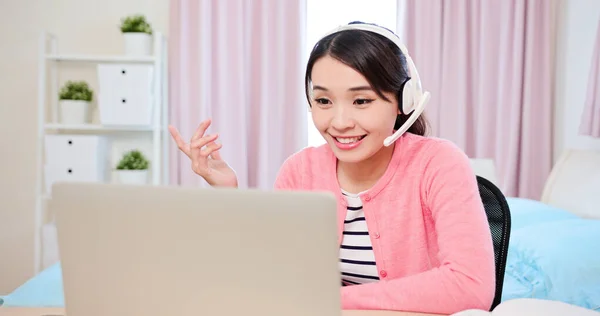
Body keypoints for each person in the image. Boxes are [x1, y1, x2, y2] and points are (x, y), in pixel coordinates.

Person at [169, 21, 496, 315]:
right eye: (324, 101)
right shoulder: (300, 170)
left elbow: (471, 286)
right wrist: (230, 196)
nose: (339, 123)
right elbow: (271, 276)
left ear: (403, 101)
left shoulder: (439, 163)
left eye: (362, 101)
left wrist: (329, 300)